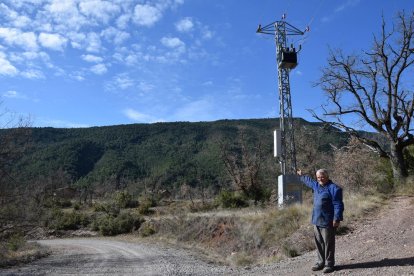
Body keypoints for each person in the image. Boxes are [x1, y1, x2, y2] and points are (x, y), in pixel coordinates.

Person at [297, 169, 344, 274]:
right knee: (319, 243)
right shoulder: (317, 185)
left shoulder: (334, 188)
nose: (320, 179)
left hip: (328, 221)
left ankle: (329, 264)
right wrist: (302, 175)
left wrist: (337, 218)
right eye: (318, 177)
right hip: (316, 220)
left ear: (327, 176)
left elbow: (338, 205)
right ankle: (320, 262)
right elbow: (309, 181)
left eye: (322, 177)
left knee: (328, 244)